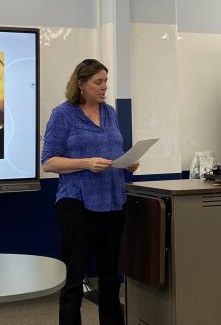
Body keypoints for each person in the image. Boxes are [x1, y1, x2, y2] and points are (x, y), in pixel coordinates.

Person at [41, 59, 139, 325]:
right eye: (99, 82)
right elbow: (48, 162)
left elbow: (112, 151)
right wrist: (85, 163)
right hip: (77, 203)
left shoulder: (110, 113)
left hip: (112, 201)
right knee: (74, 279)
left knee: (110, 277)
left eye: (106, 81)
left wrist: (126, 162)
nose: (104, 87)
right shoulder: (63, 114)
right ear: (81, 85)